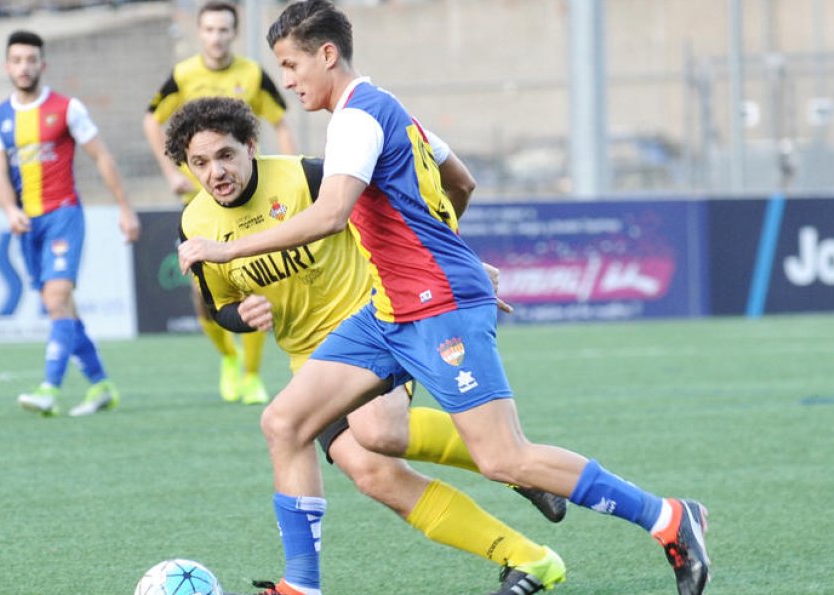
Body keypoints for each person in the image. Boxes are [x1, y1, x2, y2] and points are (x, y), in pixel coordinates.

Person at [178, 0, 711, 595]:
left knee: (504, 458)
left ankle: (667, 517)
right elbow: (461, 182)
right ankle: (302, 586)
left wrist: (226, 252)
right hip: (388, 310)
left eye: (292, 64)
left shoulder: (355, 119)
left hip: (434, 308)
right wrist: (446, 252)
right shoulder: (395, 113)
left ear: (327, 54)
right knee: (284, 422)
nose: (289, 80)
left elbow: (331, 217)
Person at [167, 96, 567, 594]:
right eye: (199, 163)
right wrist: (241, 316)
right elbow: (218, 303)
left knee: (377, 428)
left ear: (251, 145)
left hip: (376, 323)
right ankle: (527, 556)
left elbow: (403, 215)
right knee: (375, 474)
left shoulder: (309, 178)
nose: (215, 172)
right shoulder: (194, 224)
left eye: (225, 155)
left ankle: (510, 460)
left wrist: (453, 266)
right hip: (311, 359)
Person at [143, 0, 297, 406]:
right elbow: (151, 119)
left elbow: (280, 121)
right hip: (200, 204)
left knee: (256, 281)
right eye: (209, 29)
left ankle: (249, 375)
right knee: (203, 293)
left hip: (253, 197)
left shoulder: (252, 74)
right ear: (200, 33)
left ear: (234, 32)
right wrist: (171, 172)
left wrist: (285, 166)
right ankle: (228, 358)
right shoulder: (183, 75)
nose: (217, 37)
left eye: (224, 29)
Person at [0, 29, 141, 417]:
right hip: (27, 226)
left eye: (31, 60)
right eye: (17, 60)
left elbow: (102, 157)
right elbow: (0, 174)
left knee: (56, 299)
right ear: (8, 66)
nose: (24, 67)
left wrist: (125, 207)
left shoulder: (66, 108)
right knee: (62, 307)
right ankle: (101, 384)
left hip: (63, 215)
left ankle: (49, 390)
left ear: (43, 65)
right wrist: (9, 209)